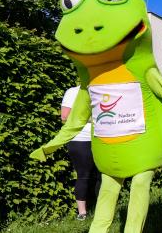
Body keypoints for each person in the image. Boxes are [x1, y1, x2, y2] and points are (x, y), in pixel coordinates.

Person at [61, 86, 100, 221]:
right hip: (80, 139)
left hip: (100, 138)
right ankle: (82, 213)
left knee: (103, 176)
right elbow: (64, 117)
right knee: (84, 175)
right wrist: (90, 118)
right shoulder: (73, 92)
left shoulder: (100, 90)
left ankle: (101, 211)